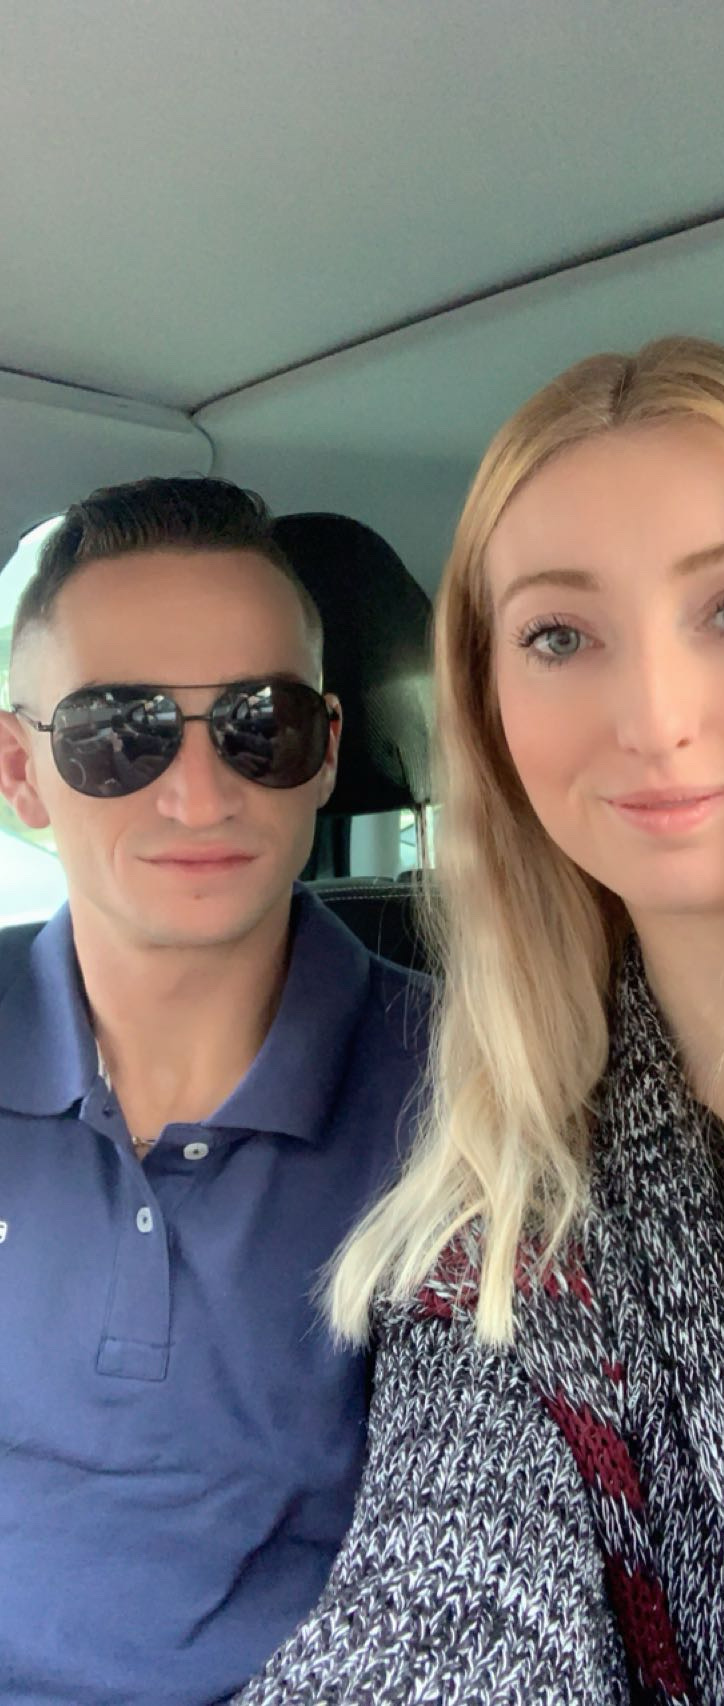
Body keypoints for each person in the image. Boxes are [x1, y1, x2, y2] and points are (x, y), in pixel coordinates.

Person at [236, 338, 724, 1706]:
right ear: (487, 708)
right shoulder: (512, 1228)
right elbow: (443, 1594)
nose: (653, 717)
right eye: (557, 635)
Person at [0, 477, 426, 1706]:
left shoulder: (468, 1093)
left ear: (325, 750)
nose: (197, 793)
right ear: (21, 771)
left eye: (259, 723)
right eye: (117, 731)